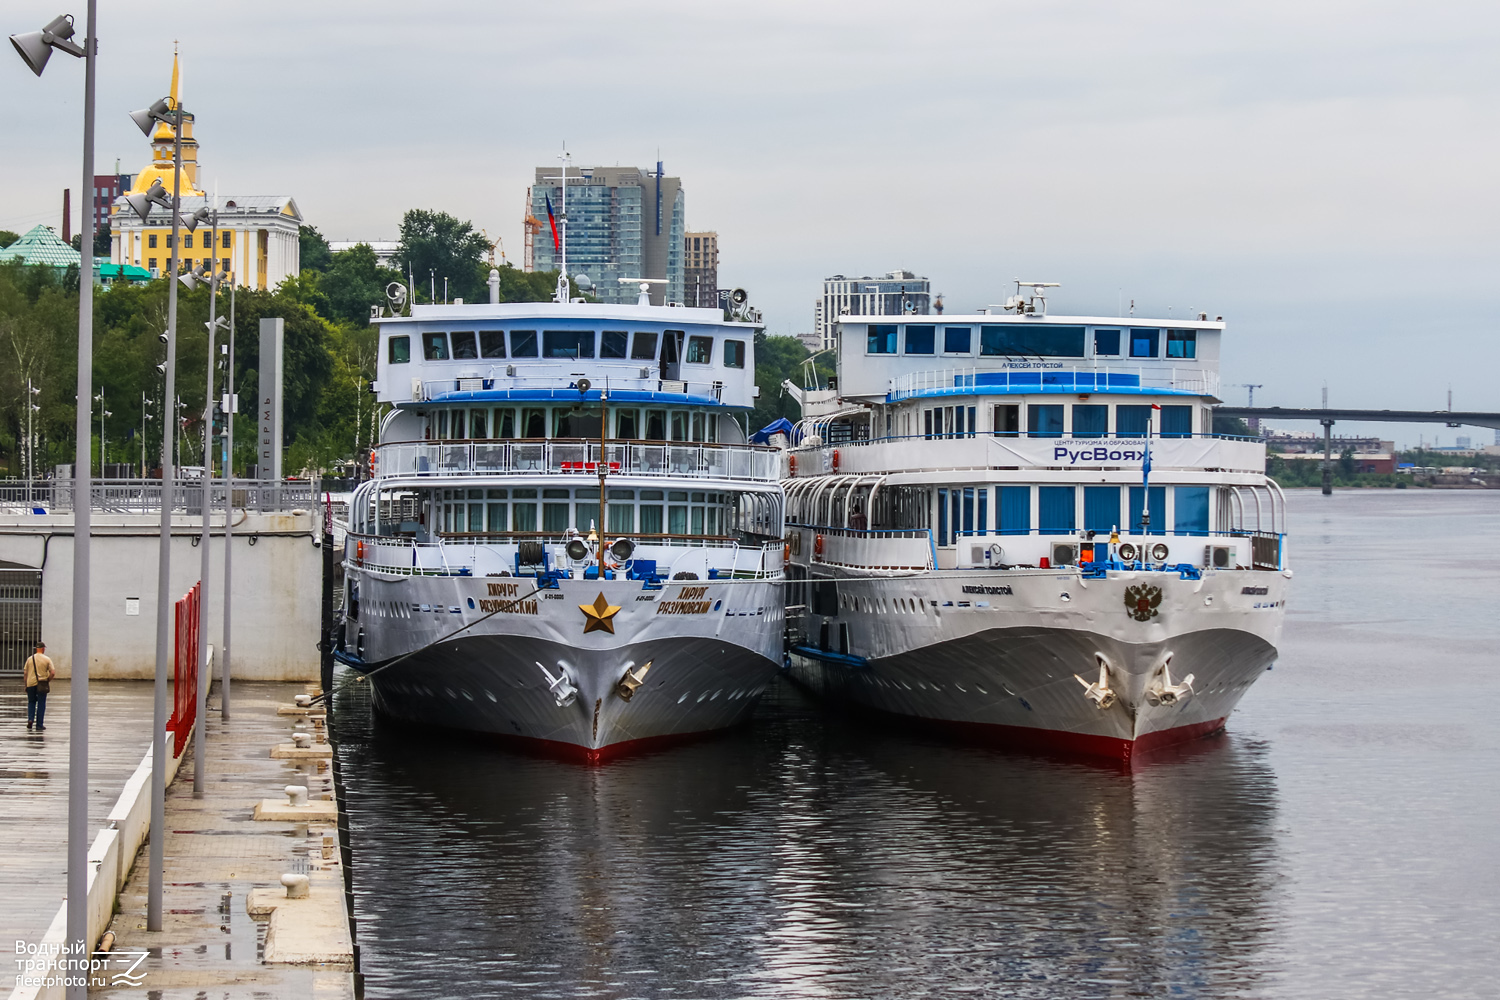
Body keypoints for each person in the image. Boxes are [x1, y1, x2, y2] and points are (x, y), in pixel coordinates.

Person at [24, 641, 55, 732]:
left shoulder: (30, 659)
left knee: (31, 702)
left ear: (36, 649)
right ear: (43, 648)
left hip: (30, 684)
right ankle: (39, 725)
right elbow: (52, 673)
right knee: (41, 704)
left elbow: (25, 673)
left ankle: (30, 719)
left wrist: (26, 685)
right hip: (42, 684)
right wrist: (47, 680)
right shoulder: (47, 659)